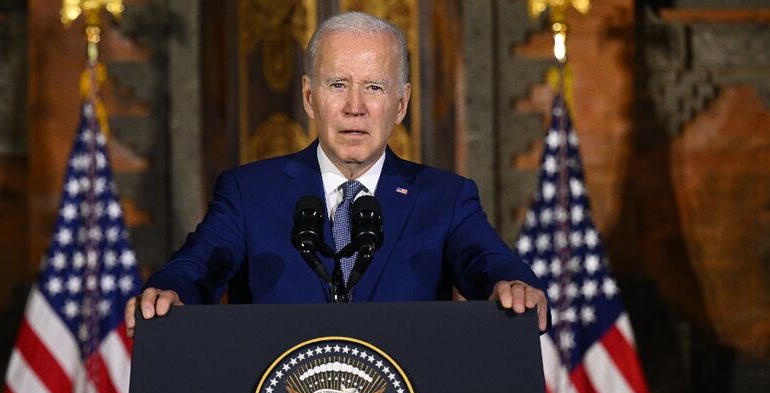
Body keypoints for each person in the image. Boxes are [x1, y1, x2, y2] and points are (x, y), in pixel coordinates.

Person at [125, 12, 548, 336]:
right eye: (338, 85)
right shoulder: (249, 193)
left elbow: (490, 262)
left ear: (401, 105)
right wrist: (171, 292)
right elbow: (199, 265)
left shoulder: (445, 199)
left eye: (375, 87)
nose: (355, 107)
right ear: (310, 98)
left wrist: (512, 285)